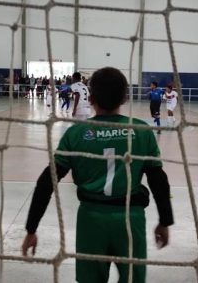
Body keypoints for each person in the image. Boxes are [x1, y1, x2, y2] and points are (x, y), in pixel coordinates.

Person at [21, 66, 174, 283]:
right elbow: (159, 180)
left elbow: (47, 181)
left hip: (91, 221)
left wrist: (31, 229)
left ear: (91, 98)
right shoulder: (141, 131)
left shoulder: (75, 134)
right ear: (125, 97)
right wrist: (165, 221)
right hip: (131, 220)